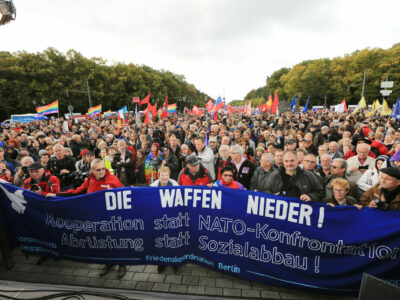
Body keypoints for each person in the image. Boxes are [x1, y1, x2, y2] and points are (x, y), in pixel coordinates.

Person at [47, 159, 126, 278]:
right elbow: (76, 192)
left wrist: (114, 194)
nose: (101, 172)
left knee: (116, 240)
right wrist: (57, 195)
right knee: (104, 241)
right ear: (92, 170)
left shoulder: (113, 180)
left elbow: (123, 197)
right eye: (98, 170)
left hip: (112, 217)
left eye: (103, 169)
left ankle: (122, 264)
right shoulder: (89, 180)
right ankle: (109, 263)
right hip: (96, 217)